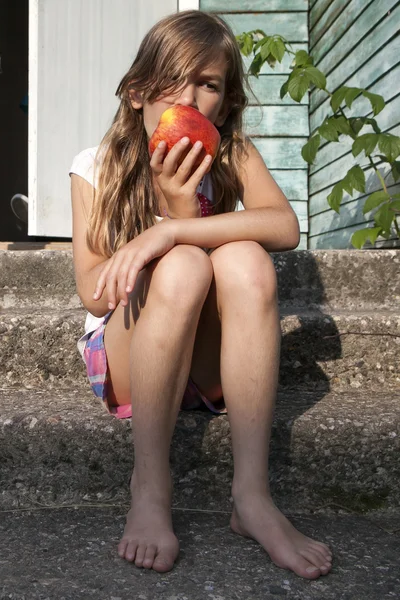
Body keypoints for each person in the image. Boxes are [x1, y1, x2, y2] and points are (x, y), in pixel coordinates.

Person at [69, 10, 332, 578]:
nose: (186, 99)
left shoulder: (231, 155)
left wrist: (174, 222)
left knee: (246, 259)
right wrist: (166, 236)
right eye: (171, 80)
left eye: (207, 84)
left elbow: (285, 228)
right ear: (137, 91)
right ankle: (150, 487)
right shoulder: (95, 168)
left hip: (209, 364)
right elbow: (94, 296)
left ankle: (253, 496)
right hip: (131, 354)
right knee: (185, 267)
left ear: (225, 102)